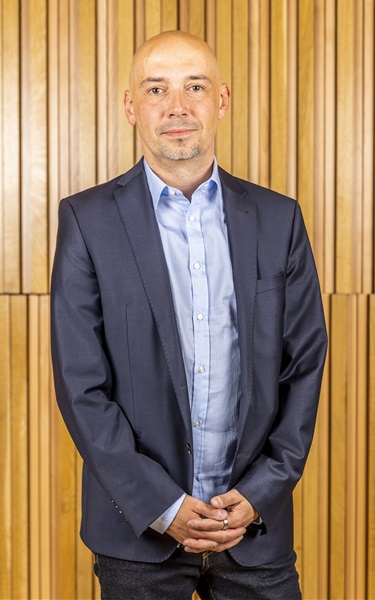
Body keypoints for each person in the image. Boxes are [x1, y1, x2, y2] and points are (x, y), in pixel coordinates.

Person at [51, 30, 327, 599]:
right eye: (156, 89)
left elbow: (304, 366)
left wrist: (262, 492)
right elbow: (81, 387)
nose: (176, 106)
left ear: (221, 100)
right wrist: (162, 505)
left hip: (253, 529)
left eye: (194, 87)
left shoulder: (279, 219)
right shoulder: (86, 221)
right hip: (138, 535)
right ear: (131, 106)